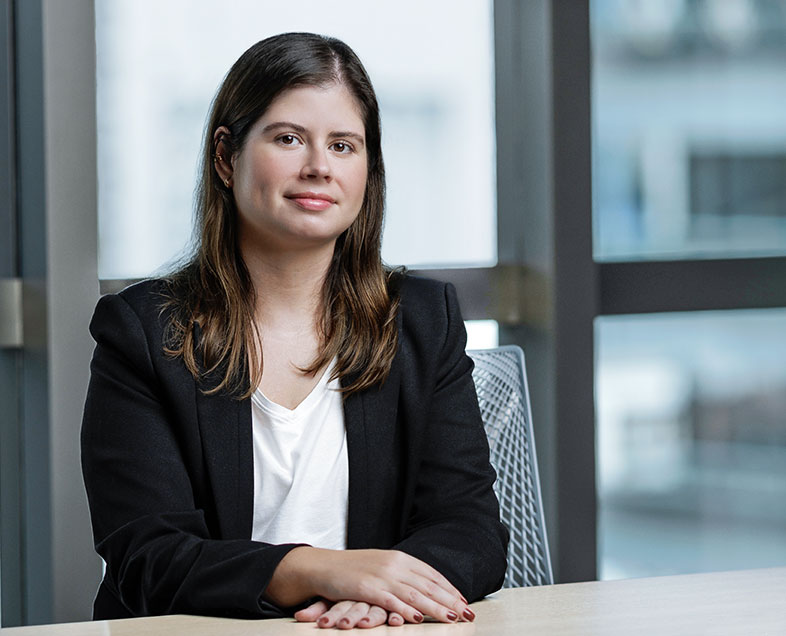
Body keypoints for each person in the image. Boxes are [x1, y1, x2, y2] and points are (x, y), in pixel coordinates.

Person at [81, 32, 508, 629]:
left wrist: (381, 590)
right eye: (288, 139)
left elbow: (472, 527)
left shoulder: (421, 320)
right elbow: (149, 557)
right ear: (226, 157)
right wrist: (322, 570)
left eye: (343, 145)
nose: (318, 167)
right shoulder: (143, 332)